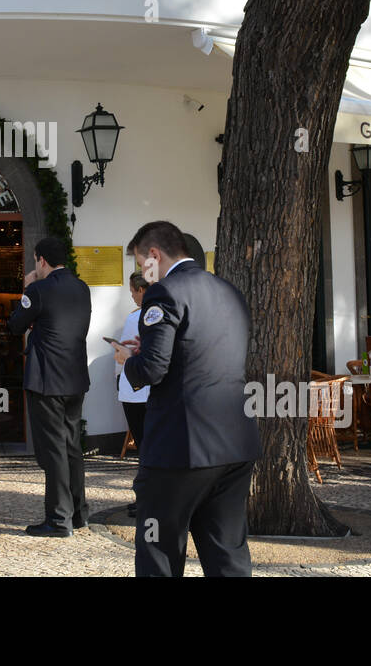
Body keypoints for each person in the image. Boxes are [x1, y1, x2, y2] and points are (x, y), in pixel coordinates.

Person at [120, 220, 261, 577]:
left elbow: (152, 370)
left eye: (141, 264)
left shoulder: (164, 292)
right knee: (226, 552)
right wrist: (149, 350)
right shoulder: (228, 291)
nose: (142, 272)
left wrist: (129, 361)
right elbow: (203, 352)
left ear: (154, 254)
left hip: (180, 447)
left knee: (159, 551)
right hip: (233, 443)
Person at [8, 236, 91, 537]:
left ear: (41, 260)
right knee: (71, 446)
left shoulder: (38, 289)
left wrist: (27, 289)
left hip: (46, 381)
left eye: (34, 261)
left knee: (54, 451)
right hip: (75, 379)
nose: (35, 266)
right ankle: (79, 512)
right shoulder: (82, 288)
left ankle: (58, 520)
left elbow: (15, 324)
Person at [116, 272, 151, 516]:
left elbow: (124, 351)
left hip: (135, 390)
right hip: (153, 390)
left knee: (145, 447)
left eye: (132, 290)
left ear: (141, 290)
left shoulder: (137, 317)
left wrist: (119, 379)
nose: (131, 294)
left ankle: (146, 498)